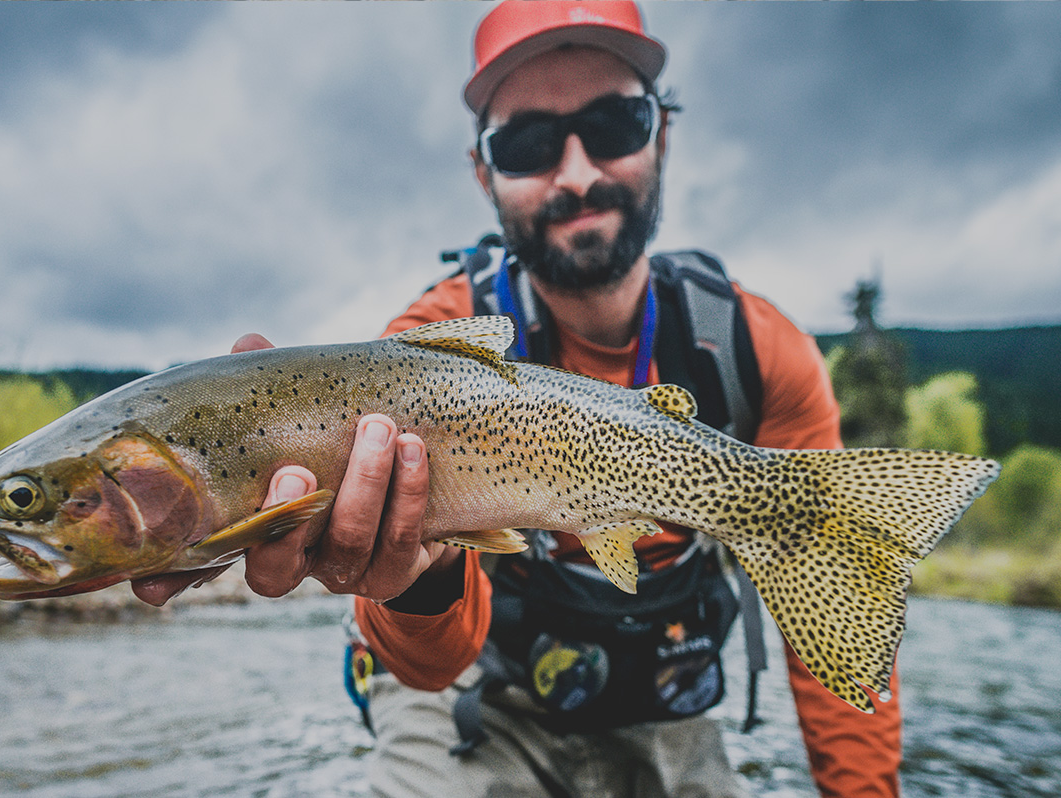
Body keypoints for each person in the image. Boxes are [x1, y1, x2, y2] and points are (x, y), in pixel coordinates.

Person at [133, 3, 903, 796]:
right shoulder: (420, 351)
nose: (575, 172)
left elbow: (841, 619)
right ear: (483, 171)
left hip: (661, 690)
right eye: (529, 143)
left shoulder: (754, 349)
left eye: (613, 124)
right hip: (476, 695)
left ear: (662, 135)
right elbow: (430, 667)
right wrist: (419, 578)